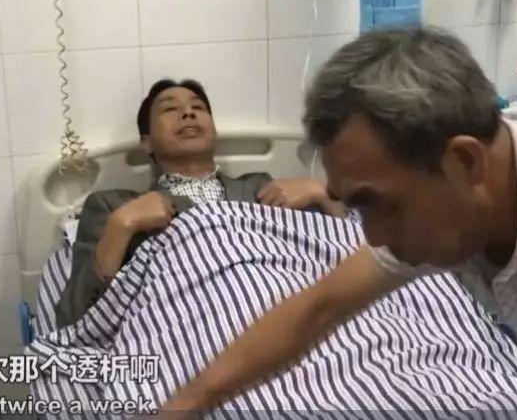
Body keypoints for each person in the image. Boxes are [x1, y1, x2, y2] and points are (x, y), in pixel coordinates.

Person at [162, 27, 517, 413]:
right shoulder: (452, 198)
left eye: (380, 205)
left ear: (464, 162)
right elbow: (317, 310)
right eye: (355, 207)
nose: (373, 236)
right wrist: (182, 408)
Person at [54, 78, 343, 327]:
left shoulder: (262, 189)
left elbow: (346, 255)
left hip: (281, 320)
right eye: (170, 109)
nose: (188, 112)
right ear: (146, 142)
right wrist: (121, 225)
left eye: (199, 107)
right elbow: (73, 320)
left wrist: (320, 193)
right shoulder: (114, 206)